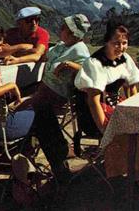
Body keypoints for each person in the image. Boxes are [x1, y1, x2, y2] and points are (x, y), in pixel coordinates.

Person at [74, 23, 139, 178]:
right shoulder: (94, 63)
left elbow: (131, 87)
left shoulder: (125, 58)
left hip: (114, 105)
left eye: (124, 43)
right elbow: (93, 100)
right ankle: (134, 173)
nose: (121, 47)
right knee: (129, 128)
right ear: (106, 42)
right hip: (94, 112)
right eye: (116, 43)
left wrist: (136, 110)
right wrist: (104, 128)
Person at [22, 14, 92, 181]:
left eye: (64, 28)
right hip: (43, 91)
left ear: (74, 34)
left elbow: (89, 70)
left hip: (55, 96)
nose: (60, 29)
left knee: (24, 113)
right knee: (20, 107)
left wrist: (69, 64)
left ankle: (25, 161)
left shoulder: (79, 49)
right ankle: (26, 160)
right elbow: (44, 55)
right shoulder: (61, 45)